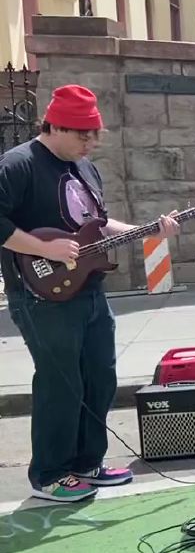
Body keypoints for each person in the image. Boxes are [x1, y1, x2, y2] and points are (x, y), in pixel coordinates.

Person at [0, 84, 181, 503]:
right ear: (55, 126)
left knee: (100, 376)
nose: (91, 143)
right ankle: (50, 474)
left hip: (89, 290)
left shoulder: (85, 169)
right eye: (83, 135)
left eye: (95, 134)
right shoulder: (18, 165)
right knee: (60, 382)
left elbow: (97, 225)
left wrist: (147, 231)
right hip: (40, 295)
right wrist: (44, 248)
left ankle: (86, 464)